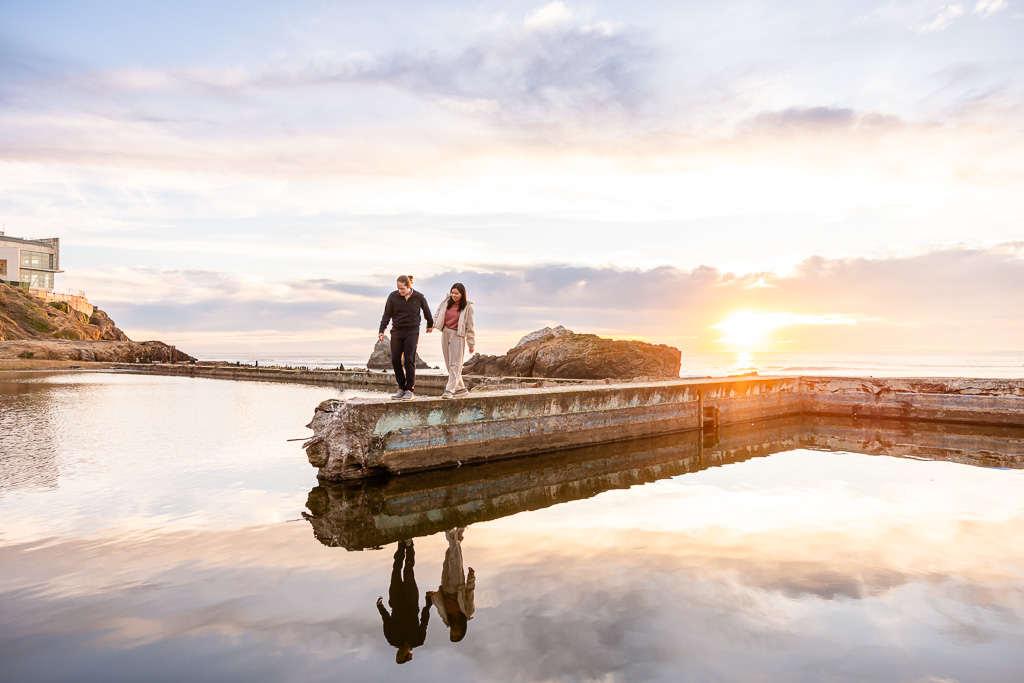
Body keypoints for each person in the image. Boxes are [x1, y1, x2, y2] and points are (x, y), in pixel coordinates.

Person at [379, 275, 433, 400]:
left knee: (409, 359)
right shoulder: (393, 296)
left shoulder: (419, 297)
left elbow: (427, 311)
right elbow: (387, 314)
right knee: (395, 360)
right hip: (397, 331)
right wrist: (381, 330)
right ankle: (401, 388)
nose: (400, 291)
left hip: (412, 331)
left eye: (402, 288)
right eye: (398, 288)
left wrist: (430, 325)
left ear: (409, 286)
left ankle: (409, 390)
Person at [376, 539, 430, 664]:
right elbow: (424, 621)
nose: (399, 650)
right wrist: (428, 603)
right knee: (408, 571)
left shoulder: (392, 639)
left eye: (398, 653)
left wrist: (380, 607)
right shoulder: (418, 640)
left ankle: (401, 545)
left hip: (396, 602)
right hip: (411, 602)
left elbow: (386, 620)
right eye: (402, 653)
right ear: (409, 654)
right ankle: (409, 546)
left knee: (396, 571)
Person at [426, 527, 475, 643]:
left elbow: (440, 606)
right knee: (455, 558)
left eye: (452, 635)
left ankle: (459, 532)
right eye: (456, 634)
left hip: (445, 587)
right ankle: (449, 531)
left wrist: (432, 597)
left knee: (449, 555)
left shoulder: (447, 620)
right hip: (457, 584)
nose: (453, 632)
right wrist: (471, 577)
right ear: (462, 631)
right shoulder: (468, 612)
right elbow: (470, 592)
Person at [432, 282, 475, 399]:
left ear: (462, 294)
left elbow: (470, 327)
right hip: (445, 333)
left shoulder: (467, 308)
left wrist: (471, 344)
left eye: (456, 293)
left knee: (455, 364)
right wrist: (432, 325)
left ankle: (449, 390)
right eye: (452, 292)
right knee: (448, 363)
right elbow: (437, 314)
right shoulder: (446, 302)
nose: (453, 295)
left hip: (458, 335)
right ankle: (461, 389)